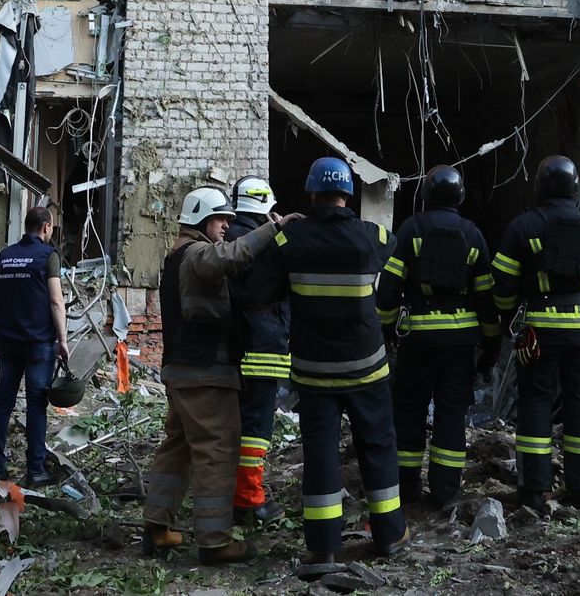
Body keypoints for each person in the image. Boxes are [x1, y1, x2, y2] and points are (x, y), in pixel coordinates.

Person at [249, 157, 406, 570]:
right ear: (348, 195)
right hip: (367, 366)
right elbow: (395, 264)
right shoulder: (373, 236)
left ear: (313, 193)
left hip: (314, 369)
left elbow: (258, 293)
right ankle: (389, 535)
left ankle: (323, 547)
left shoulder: (291, 240)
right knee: (377, 446)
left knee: (320, 453)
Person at [142, 184, 286, 564]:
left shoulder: (175, 256)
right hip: (205, 372)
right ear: (202, 220)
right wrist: (273, 229)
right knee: (218, 451)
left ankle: (157, 526)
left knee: (178, 448)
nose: (226, 226)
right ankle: (215, 540)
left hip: (182, 371)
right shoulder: (197, 255)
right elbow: (228, 257)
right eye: (220, 219)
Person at [492, 155, 580, 511]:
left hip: (539, 330)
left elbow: (502, 284)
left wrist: (509, 318)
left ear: (539, 187)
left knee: (535, 403)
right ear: (574, 186)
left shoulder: (523, 227)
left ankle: (533, 492)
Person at [375, 164, 497, 508]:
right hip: (459, 345)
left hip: (418, 342)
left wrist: (386, 331)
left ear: (426, 195)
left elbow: (388, 292)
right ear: (460, 196)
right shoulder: (473, 234)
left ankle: (407, 489)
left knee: (409, 412)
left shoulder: (411, 229)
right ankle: (445, 492)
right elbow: (487, 298)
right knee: (451, 416)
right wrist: (491, 345)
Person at [0, 203, 71, 487]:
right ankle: (35, 470)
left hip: (9, 343)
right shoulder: (48, 256)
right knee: (36, 405)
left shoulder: (5, 257)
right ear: (46, 227)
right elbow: (56, 300)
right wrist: (63, 340)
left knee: (3, 405)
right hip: (37, 345)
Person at [226, 174, 290, 523]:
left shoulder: (227, 238)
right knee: (256, 429)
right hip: (263, 347)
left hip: (231, 348)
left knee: (233, 425)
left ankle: (232, 493)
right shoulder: (270, 243)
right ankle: (249, 502)